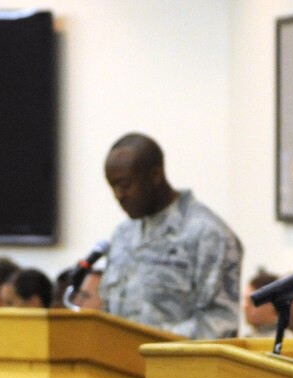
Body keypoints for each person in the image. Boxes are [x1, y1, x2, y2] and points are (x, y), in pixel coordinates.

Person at [98, 132, 243, 339]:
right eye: (113, 187)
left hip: (176, 367)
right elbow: (109, 309)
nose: (118, 196)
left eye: (125, 185)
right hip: (119, 366)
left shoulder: (207, 233)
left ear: (156, 175)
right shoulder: (123, 234)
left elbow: (221, 322)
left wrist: (149, 344)